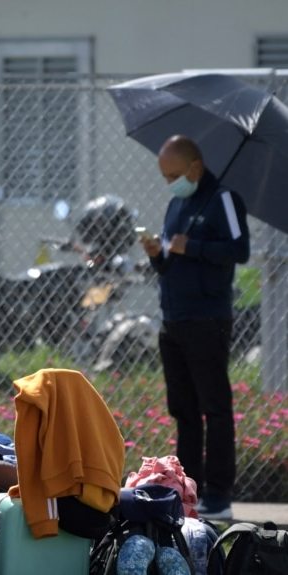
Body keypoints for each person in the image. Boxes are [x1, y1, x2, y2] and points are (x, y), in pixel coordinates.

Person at [141, 135, 250, 521]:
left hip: (207, 320)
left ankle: (218, 495)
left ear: (195, 167)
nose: (170, 183)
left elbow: (239, 250)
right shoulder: (177, 204)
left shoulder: (223, 199)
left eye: (174, 175)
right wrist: (157, 255)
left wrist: (195, 246)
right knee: (183, 411)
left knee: (214, 408)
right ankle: (188, 489)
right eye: (165, 177)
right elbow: (171, 262)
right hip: (173, 320)